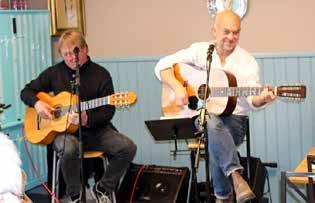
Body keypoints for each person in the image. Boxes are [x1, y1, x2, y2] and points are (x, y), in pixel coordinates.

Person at [155, 9, 276, 203]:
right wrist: (178, 87)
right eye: (226, 31)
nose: (231, 37)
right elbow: (161, 65)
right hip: (203, 118)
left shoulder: (247, 61)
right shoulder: (200, 51)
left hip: (235, 122)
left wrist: (262, 98)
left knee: (214, 138)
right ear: (214, 31)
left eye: (236, 32)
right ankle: (236, 177)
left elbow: (253, 99)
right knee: (210, 121)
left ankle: (223, 197)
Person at [20, 30, 137, 203]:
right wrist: (37, 104)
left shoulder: (101, 74)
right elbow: (26, 91)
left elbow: (108, 111)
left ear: (85, 49)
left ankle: (102, 188)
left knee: (128, 147)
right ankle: (75, 194)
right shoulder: (54, 72)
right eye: (65, 54)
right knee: (68, 148)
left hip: (96, 132)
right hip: (64, 134)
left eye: (75, 52)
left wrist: (87, 119)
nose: (71, 58)